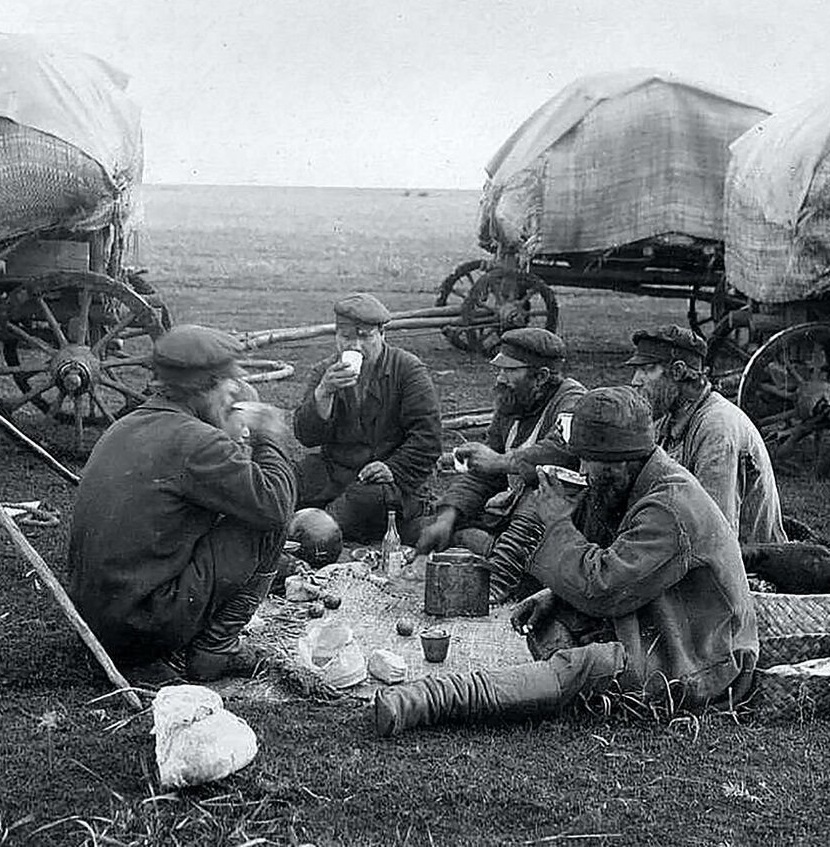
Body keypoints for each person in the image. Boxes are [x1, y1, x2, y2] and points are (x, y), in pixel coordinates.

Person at [374, 386, 758, 737]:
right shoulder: (636, 482)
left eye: (593, 463)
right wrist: (553, 595)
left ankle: (428, 699)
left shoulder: (670, 506)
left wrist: (556, 522)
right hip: (656, 616)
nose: (585, 472)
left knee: (584, 667)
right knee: (552, 628)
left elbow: (602, 589)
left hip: (701, 653)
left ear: (624, 462)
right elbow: (614, 560)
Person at [68, 325, 297, 682]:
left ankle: (189, 639)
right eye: (227, 383)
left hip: (95, 622)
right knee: (270, 519)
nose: (233, 392)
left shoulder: (126, 426)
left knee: (249, 504)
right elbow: (276, 502)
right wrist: (269, 434)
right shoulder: (196, 442)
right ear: (203, 387)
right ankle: (215, 649)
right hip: (142, 626)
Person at [415, 327, 585, 600]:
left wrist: (501, 462)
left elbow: (560, 453)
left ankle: (504, 574)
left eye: (509, 370)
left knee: (541, 490)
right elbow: (481, 470)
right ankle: (507, 557)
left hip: (559, 520)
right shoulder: (513, 402)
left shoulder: (572, 402)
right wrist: (448, 517)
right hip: (512, 516)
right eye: (500, 369)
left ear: (540, 376)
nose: (500, 378)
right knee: (440, 529)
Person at [294, 292, 442, 543]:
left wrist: (392, 467)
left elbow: (428, 439)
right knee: (292, 476)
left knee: (361, 502)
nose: (355, 346)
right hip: (338, 471)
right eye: (346, 337)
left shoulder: (407, 370)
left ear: (382, 334)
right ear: (336, 336)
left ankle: (314, 531)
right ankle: (293, 524)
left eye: (365, 337)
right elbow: (306, 436)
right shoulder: (326, 371)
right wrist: (323, 393)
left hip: (390, 480)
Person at [626, 324, 787, 544]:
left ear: (678, 371)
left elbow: (716, 534)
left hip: (746, 565)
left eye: (647, 369)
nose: (636, 380)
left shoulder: (717, 428)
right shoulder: (668, 418)